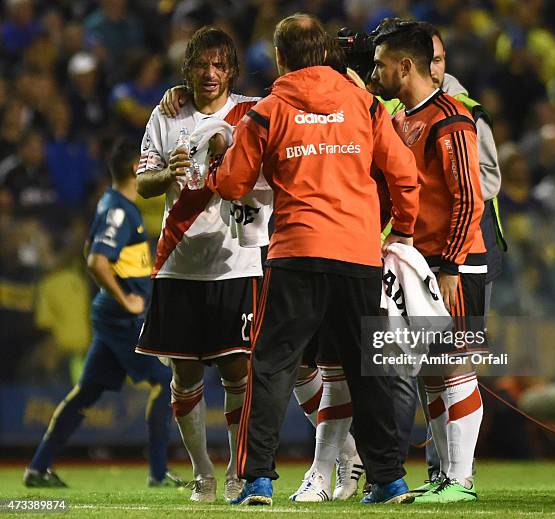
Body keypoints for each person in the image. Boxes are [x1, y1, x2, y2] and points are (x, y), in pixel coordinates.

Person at [207, 13, 421, 506]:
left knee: (273, 368)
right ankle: (388, 480)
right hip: (357, 255)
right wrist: (403, 231)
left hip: (297, 254)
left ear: (280, 57)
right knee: (366, 370)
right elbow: (402, 172)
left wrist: (215, 167)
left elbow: (236, 183)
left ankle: (258, 480)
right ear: (325, 52)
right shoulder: (364, 104)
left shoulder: (269, 109)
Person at [135, 26, 262, 503]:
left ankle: (235, 472)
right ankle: (203, 475)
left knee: (237, 372)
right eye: (201, 65)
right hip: (178, 262)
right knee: (184, 376)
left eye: (219, 65)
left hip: (237, 261)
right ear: (186, 68)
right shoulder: (167, 113)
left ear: (230, 69)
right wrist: (170, 169)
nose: (210, 74)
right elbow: (145, 182)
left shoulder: (252, 112)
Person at [370, 20, 486, 503]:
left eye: (380, 64)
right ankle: (445, 477)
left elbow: (469, 199)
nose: (374, 72)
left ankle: (460, 480)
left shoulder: (450, 118)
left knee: (456, 368)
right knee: (433, 373)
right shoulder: (403, 117)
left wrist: (451, 265)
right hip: (423, 264)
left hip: (453, 263)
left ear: (405, 65)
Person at [23, 138, 180, 489]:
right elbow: (96, 260)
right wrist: (127, 300)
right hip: (120, 319)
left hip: (112, 319)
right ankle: (157, 473)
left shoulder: (113, 204)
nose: (148, 168)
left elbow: (87, 249)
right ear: (132, 169)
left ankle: (38, 468)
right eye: (144, 163)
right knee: (163, 382)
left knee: (86, 392)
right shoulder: (120, 209)